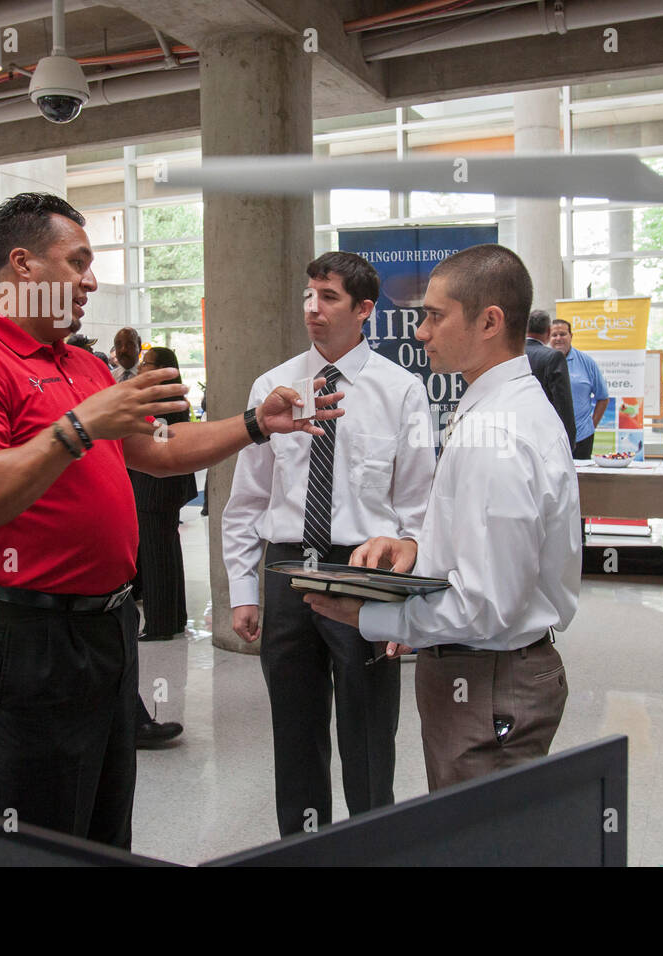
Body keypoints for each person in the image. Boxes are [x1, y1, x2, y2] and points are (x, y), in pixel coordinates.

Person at [0, 192, 344, 848]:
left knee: (105, 826)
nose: (91, 281)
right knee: (37, 834)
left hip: (107, 630)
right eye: (77, 262)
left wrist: (255, 425)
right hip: (29, 637)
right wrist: (76, 429)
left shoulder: (80, 364)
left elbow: (156, 453)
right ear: (21, 266)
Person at [306, 244, 579, 792]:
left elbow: (486, 604)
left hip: (487, 680)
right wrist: (417, 550)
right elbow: (487, 549)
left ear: (489, 321)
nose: (421, 332)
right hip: (486, 673)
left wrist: (371, 617)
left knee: (481, 845)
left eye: (434, 315)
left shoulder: (498, 432)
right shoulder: (496, 406)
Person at [223, 250, 433, 836]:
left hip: (362, 569)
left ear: (365, 309)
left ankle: (370, 845)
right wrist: (244, 588)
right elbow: (247, 499)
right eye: (309, 296)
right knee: (294, 731)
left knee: (368, 732)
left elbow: (417, 506)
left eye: (330, 298)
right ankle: (302, 848)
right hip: (288, 567)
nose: (313, 309)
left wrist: (406, 598)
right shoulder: (273, 386)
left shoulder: (402, 391)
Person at [130, 346, 198, 641]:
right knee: (167, 553)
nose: (142, 367)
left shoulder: (161, 403)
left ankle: (158, 624)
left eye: (147, 363)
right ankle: (174, 618)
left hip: (153, 488)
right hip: (165, 488)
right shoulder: (173, 400)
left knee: (155, 556)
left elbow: (158, 444)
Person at [549, 318, 609, 460]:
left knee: (581, 480)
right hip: (550, 438)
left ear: (571, 336)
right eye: (554, 335)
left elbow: (603, 397)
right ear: (548, 337)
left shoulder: (586, 362)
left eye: (562, 334)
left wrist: (591, 426)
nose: (558, 338)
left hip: (581, 438)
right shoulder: (542, 361)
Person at [524, 309, 576, 452]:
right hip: (547, 440)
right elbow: (563, 404)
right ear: (548, 332)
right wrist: (569, 444)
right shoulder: (553, 358)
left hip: (518, 436)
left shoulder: (510, 356)